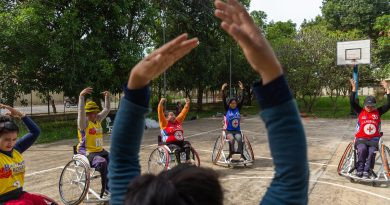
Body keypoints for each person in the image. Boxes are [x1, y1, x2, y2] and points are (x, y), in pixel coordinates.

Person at [109, 0, 308, 204]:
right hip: (222, 133)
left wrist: (136, 85)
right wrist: (271, 70)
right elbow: (293, 176)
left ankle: (235, 154)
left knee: (234, 140)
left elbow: (121, 160)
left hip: (207, 137)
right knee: (232, 140)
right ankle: (232, 154)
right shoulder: (173, 120)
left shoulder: (182, 119)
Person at [0, 104, 48, 204]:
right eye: (6, 140)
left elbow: (35, 132)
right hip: (3, 200)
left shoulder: (16, 149)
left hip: (19, 194)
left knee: (41, 201)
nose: (11, 143)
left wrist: (21, 115)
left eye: (14, 139)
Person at [349, 79, 390, 178]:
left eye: (371, 106)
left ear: (374, 106)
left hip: (374, 139)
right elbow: (352, 102)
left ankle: (367, 171)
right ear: (364, 105)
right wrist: (354, 88)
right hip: (361, 138)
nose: (369, 108)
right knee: (362, 150)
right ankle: (360, 169)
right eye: (367, 106)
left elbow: (389, 104)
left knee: (372, 152)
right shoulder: (361, 111)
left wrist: (387, 88)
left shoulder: (378, 112)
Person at [77, 87, 110, 198]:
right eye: (90, 113)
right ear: (87, 114)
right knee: (102, 162)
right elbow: (80, 114)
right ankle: (105, 188)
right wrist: (81, 97)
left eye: (94, 112)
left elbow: (107, 109)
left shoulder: (98, 119)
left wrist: (107, 97)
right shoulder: (84, 123)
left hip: (100, 151)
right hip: (87, 152)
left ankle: (111, 186)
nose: (93, 115)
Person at [158, 98, 191, 163]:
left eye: (173, 114)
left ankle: (188, 160)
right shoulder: (164, 123)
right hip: (170, 143)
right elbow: (160, 113)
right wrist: (161, 103)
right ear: (167, 117)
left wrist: (187, 104)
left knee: (187, 145)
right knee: (177, 149)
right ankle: (179, 165)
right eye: (171, 115)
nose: (173, 116)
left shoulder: (177, 121)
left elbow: (183, 113)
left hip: (180, 142)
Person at [221, 81, 245, 161]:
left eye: (235, 103)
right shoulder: (227, 109)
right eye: (232, 103)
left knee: (239, 140)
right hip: (229, 131)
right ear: (229, 104)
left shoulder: (238, 108)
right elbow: (224, 99)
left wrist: (242, 89)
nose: (234, 104)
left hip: (237, 131)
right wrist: (222, 90)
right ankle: (231, 155)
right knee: (232, 140)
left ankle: (239, 155)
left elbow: (242, 99)